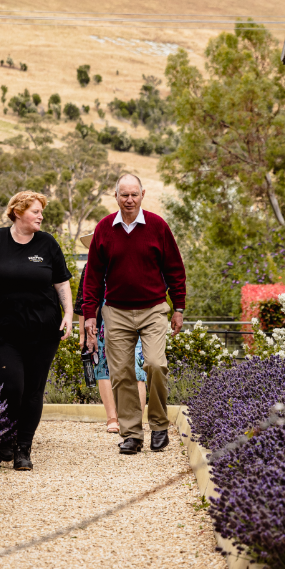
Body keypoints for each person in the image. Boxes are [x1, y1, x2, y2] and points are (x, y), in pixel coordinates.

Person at [0, 191, 73, 471]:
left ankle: (23, 448)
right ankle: (7, 435)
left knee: (33, 390)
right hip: (2, 328)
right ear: (19, 211)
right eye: (36, 211)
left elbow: (61, 282)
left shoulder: (47, 243)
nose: (41, 216)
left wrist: (69, 313)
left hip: (43, 328)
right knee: (12, 386)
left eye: (40, 212)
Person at [82, 174, 185, 455]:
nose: (129, 200)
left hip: (153, 308)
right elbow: (92, 276)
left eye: (134, 195)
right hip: (116, 311)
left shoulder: (157, 226)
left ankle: (160, 424)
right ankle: (132, 434)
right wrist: (89, 314)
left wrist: (179, 307)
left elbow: (175, 269)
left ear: (142, 194)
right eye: (123, 195)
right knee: (122, 373)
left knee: (154, 363)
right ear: (115, 196)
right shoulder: (104, 228)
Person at [74, 234, 146, 433]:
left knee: (137, 369)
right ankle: (112, 418)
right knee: (103, 368)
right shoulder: (91, 267)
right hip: (102, 323)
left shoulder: (133, 261)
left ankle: (135, 419)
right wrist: (83, 335)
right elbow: (83, 302)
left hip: (135, 320)